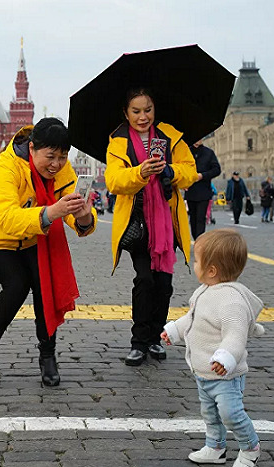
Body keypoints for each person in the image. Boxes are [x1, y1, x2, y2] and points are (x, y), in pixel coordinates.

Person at [0, 117, 97, 389]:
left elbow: (69, 206)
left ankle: (48, 356)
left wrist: (83, 217)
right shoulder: (7, 167)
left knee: (44, 284)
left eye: (62, 157)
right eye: (50, 157)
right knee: (16, 285)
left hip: (32, 234)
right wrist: (52, 212)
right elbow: (7, 218)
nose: (56, 164)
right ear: (32, 148)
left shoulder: (61, 168)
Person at [104, 88, 198, 366]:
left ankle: (156, 337)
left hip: (167, 223)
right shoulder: (118, 141)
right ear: (126, 113)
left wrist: (170, 170)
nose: (143, 116)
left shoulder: (171, 136)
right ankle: (139, 341)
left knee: (164, 284)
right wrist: (140, 172)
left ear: (155, 109)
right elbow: (113, 181)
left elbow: (190, 172)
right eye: (136, 111)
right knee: (144, 279)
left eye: (148, 110)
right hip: (137, 222)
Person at [162, 229, 264, 467]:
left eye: (197, 261)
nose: (194, 265)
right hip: (204, 373)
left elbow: (235, 336)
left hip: (225, 375)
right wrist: (175, 331)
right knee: (210, 414)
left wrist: (225, 358)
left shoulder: (231, 302)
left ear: (211, 270)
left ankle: (250, 448)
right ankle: (215, 447)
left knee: (231, 414)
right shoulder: (205, 291)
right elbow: (193, 319)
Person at [185, 140, 221, 239]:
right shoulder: (186, 151)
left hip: (204, 191)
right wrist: (183, 182)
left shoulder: (209, 153)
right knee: (193, 218)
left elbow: (217, 170)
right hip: (190, 190)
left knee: (201, 218)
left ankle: (199, 240)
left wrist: (203, 175)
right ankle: (196, 237)